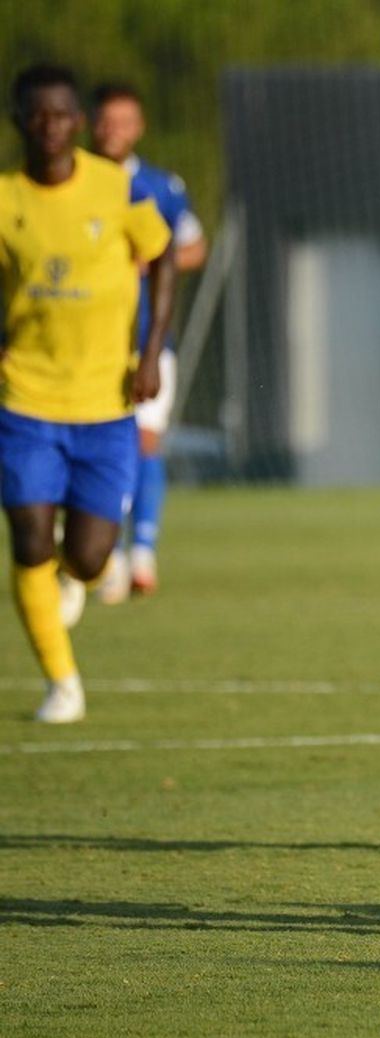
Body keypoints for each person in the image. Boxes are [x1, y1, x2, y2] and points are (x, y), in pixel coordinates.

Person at [0, 64, 174, 723]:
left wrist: (152, 351)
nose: (50, 127)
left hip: (106, 402)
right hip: (25, 400)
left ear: (77, 121)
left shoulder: (116, 186)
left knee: (91, 554)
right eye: (37, 115)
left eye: (61, 115)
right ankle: (61, 680)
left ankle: (79, 576)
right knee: (29, 540)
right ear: (21, 121)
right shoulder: (6, 197)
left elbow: (160, 258)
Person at [89, 81, 208, 602]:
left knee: (144, 442)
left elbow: (193, 248)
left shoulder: (160, 187)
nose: (115, 129)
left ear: (139, 128)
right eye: (106, 120)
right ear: (91, 123)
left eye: (125, 121)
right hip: (88, 346)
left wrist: (150, 259)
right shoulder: (73, 182)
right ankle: (104, 554)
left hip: (150, 342)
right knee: (102, 447)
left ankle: (141, 551)